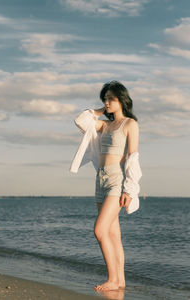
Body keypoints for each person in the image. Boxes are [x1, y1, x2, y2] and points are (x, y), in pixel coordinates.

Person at [70, 80, 142, 291]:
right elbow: (80, 120)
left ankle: (112, 279)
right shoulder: (103, 125)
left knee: (100, 230)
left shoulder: (130, 124)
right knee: (112, 234)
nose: (107, 102)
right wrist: (102, 110)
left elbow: (132, 157)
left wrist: (130, 189)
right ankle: (119, 281)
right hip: (100, 180)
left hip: (117, 180)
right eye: (105, 99)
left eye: (110, 98)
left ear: (122, 99)